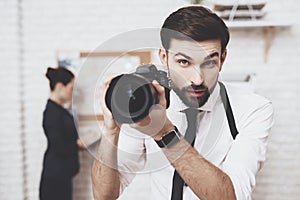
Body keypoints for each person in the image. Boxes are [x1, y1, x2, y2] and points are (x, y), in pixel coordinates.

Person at [92, 6, 274, 200]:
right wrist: (111, 130)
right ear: (164, 58)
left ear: (222, 59)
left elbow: (232, 197)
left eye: (209, 62)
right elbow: (104, 196)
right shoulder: (148, 105)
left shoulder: (253, 109)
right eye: (184, 62)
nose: (197, 79)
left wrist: (164, 132)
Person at [40, 67, 84, 200]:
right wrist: (79, 144)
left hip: (62, 174)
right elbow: (59, 146)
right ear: (60, 86)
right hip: (55, 177)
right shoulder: (52, 113)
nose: (72, 93)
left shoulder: (59, 110)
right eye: (71, 88)